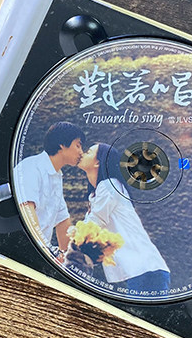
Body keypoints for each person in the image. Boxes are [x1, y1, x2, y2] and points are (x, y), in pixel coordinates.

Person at [77, 142, 170, 293]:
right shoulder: (97, 193)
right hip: (140, 271)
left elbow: (93, 225)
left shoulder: (109, 185)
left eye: (88, 152)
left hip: (145, 271)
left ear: (97, 162)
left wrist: (65, 249)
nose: (82, 153)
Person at [14, 122, 85, 251]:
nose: (81, 152)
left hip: (38, 252)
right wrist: (48, 252)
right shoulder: (31, 167)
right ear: (62, 144)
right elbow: (27, 214)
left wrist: (70, 257)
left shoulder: (56, 176)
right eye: (78, 146)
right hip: (21, 250)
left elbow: (63, 222)